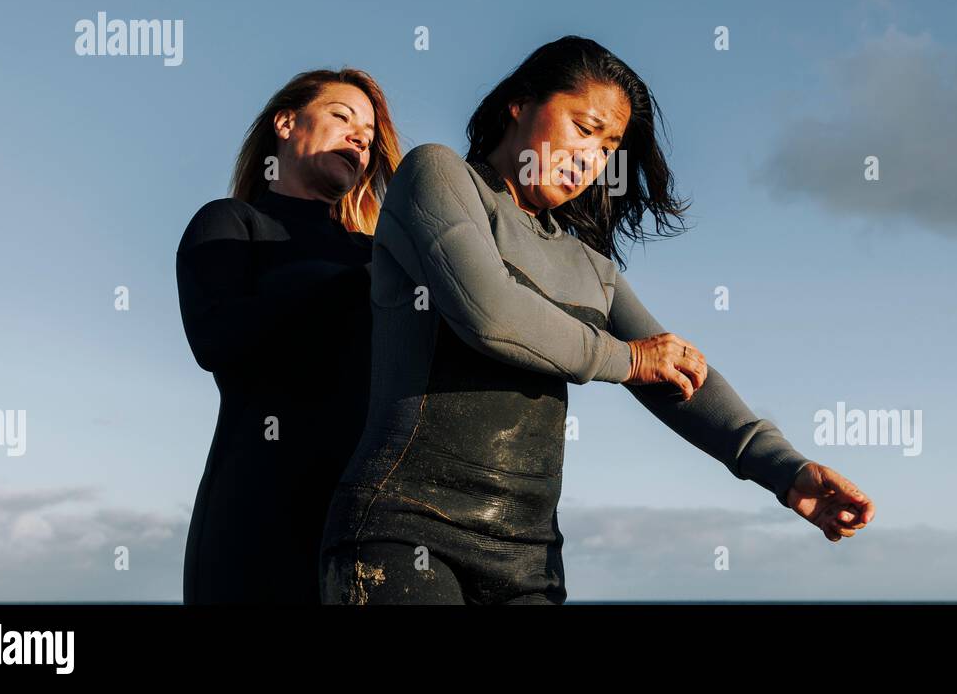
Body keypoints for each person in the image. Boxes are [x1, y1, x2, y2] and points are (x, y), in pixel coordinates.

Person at [319, 36, 874, 605]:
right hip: (404, 536)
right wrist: (627, 359)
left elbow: (679, 375)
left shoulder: (589, 267)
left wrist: (787, 469)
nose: (592, 158)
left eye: (609, 148)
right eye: (584, 128)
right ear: (521, 102)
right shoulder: (438, 177)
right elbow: (487, 312)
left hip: (528, 559)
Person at [176, 68, 402, 603]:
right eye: (342, 117)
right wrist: (352, 284)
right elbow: (216, 339)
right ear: (285, 122)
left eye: (368, 135)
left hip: (363, 529)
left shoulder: (379, 255)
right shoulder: (231, 224)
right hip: (254, 521)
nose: (359, 138)